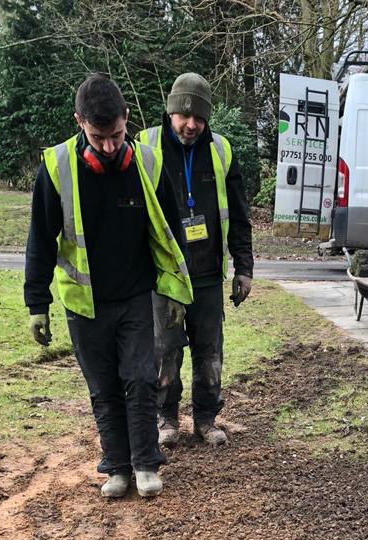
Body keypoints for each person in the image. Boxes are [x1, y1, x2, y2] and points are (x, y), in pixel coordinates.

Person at [24, 74, 192, 499]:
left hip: (136, 294)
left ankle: (146, 463)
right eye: (99, 138)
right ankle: (116, 466)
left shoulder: (149, 163)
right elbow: (40, 240)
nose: (110, 146)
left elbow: (171, 234)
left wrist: (174, 292)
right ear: (79, 122)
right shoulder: (57, 167)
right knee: (103, 387)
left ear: (127, 120)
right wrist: (36, 303)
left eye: (117, 135)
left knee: (139, 378)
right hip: (84, 301)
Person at [139, 72, 254, 448]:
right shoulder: (145, 146)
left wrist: (244, 267)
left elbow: (238, 214)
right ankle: (166, 418)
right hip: (166, 276)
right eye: (183, 115)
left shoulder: (220, 151)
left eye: (199, 118)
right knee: (164, 351)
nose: (190, 125)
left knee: (210, 353)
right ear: (170, 111)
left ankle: (205, 419)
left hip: (207, 274)